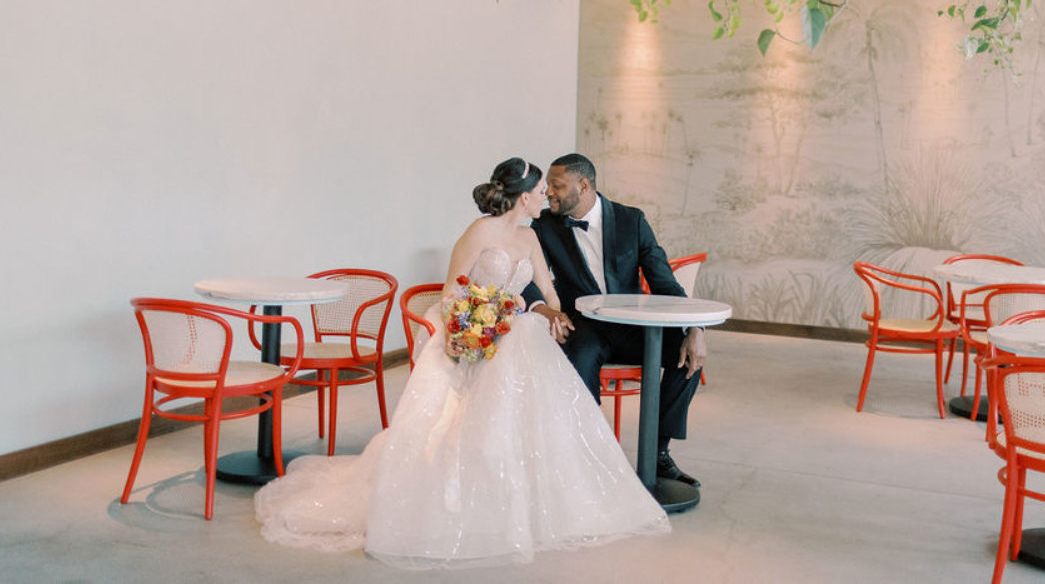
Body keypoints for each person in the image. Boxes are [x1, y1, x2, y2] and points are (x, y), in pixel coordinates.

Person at [254, 158, 669, 567]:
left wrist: (548, 313)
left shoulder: (531, 238)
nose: (546, 196)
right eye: (541, 191)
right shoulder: (478, 232)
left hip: (516, 332)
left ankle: (533, 499)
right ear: (524, 198)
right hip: (471, 330)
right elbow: (452, 292)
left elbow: (549, 293)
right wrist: (479, 321)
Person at [523, 153, 707, 488]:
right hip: (584, 326)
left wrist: (694, 327)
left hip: (634, 326)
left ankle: (658, 453)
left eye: (557, 186)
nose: (548, 192)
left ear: (584, 185)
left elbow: (664, 282)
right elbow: (527, 277)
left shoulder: (631, 220)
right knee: (578, 359)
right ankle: (586, 452)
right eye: (548, 185)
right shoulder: (544, 226)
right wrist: (543, 307)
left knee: (687, 359)